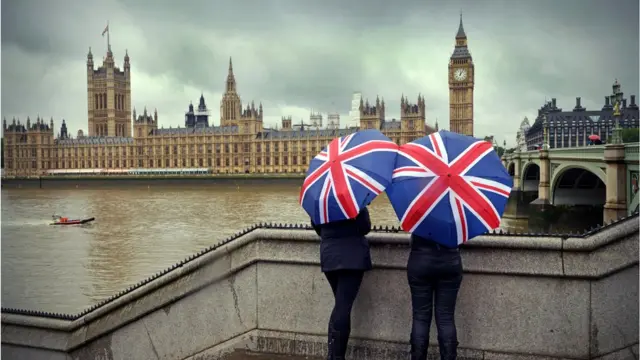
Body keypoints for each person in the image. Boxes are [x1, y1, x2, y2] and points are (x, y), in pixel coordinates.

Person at [311, 206, 372, 360]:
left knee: (340, 305)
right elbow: (365, 227)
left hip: (330, 257)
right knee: (343, 307)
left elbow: (318, 229)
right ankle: (337, 356)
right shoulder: (355, 202)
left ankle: (332, 354)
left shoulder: (321, 202)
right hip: (352, 257)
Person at [407, 233, 463, 360]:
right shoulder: (454, 215)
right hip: (450, 262)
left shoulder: (418, 213)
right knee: (446, 317)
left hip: (420, 262)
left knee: (420, 317)